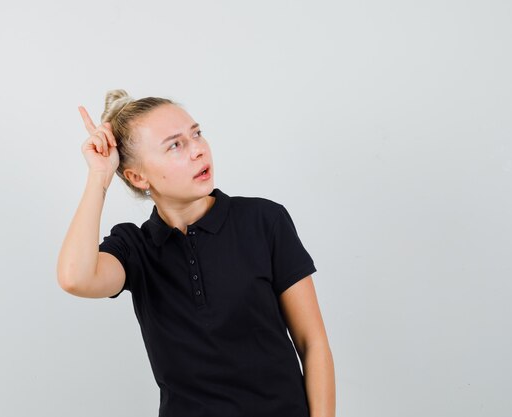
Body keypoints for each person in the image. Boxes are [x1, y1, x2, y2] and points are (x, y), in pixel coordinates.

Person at [56, 89, 335, 417]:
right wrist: (99, 176)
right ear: (137, 176)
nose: (198, 151)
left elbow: (312, 343)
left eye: (197, 134)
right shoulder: (136, 249)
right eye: (175, 145)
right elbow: (75, 278)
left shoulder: (264, 221)